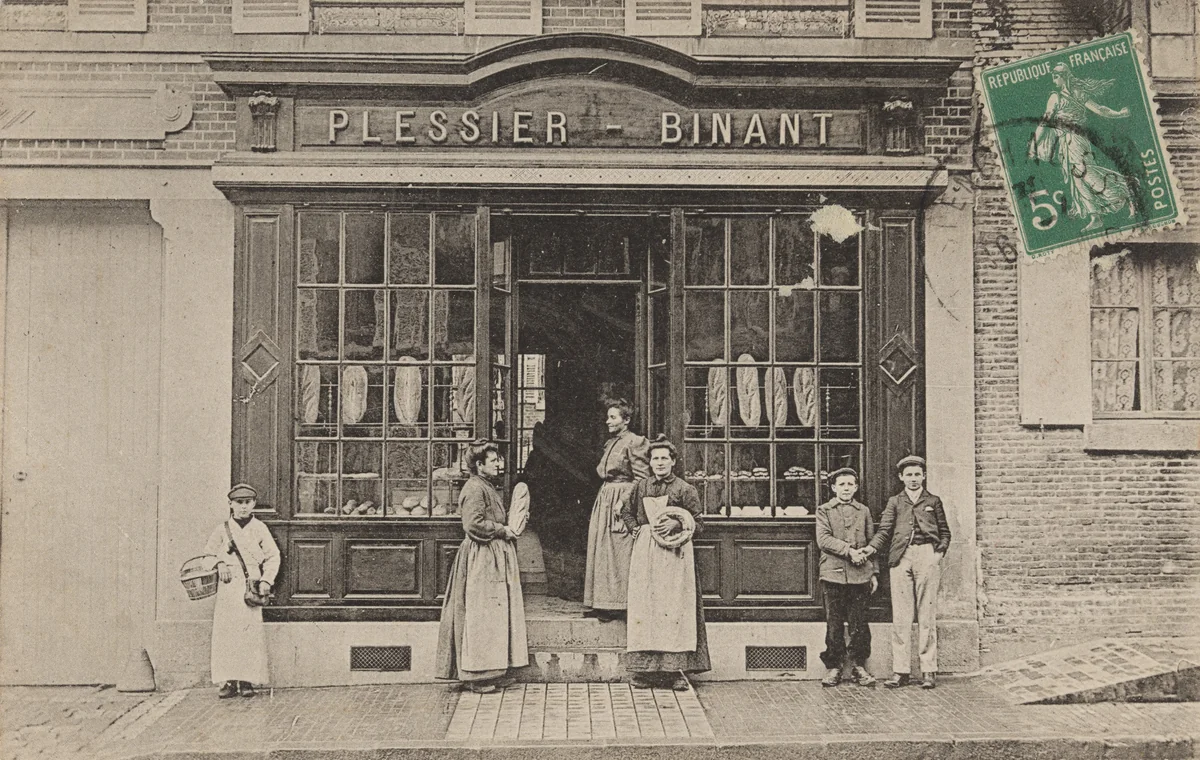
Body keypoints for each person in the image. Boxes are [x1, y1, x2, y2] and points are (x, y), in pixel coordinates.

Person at [436, 439, 529, 694]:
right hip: (481, 557)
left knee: (492, 615)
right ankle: (476, 675)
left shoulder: (485, 485)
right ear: (479, 465)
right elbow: (473, 525)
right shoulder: (474, 488)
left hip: (492, 555)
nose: (500, 464)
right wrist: (502, 529)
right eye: (494, 460)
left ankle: (493, 671)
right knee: (480, 615)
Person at [621, 434, 710, 691]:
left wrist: (678, 523)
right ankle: (645, 672)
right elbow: (626, 511)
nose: (659, 463)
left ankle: (675, 672)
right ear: (649, 462)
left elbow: (699, 523)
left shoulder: (685, 489)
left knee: (674, 609)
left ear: (673, 461)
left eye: (664, 458)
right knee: (646, 608)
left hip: (675, 555)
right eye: (655, 458)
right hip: (646, 553)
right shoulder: (640, 487)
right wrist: (635, 529)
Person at [865, 455, 951, 689]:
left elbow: (945, 532)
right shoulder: (895, 501)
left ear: (923, 476)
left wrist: (938, 553)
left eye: (917, 474)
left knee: (926, 615)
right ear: (901, 477)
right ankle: (900, 671)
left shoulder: (933, 501)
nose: (913, 479)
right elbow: (884, 530)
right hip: (901, 558)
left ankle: (928, 670)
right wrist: (871, 548)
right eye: (908, 475)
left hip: (927, 556)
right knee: (901, 617)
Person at [1028, 62, 1136, 233]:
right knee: (1077, 181)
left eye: (1056, 76)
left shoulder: (1062, 96)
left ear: (1064, 77)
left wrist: (1119, 114)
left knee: (1087, 173)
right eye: (1053, 76)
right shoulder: (1064, 95)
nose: (1053, 79)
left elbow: (1099, 109)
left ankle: (1126, 191)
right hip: (1066, 142)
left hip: (1075, 140)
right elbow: (1047, 121)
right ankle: (1096, 217)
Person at [203, 483, 280, 699]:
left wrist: (266, 580)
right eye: (238, 503)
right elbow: (207, 556)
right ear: (230, 504)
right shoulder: (222, 530)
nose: (243, 507)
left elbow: (273, 556)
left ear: (254, 504)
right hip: (228, 588)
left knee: (249, 633)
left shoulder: (259, 528)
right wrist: (219, 564)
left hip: (250, 586)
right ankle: (228, 681)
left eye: (247, 503)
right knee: (226, 634)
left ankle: (247, 680)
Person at [583, 399, 650, 620]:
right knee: (602, 551)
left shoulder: (635, 442)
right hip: (605, 498)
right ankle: (601, 603)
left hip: (620, 501)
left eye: (613, 417)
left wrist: (624, 502)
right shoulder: (612, 442)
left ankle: (619, 605)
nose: (607, 421)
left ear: (626, 420)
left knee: (618, 553)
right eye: (608, 417)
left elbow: (641, 479)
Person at [814, 468, 878, 688]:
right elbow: (823, 540)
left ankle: (859, 666)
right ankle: (834, 666)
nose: (846, 488)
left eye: (850, 484)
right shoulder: (824, 510)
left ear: (856, 487)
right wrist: (849, 551)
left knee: (859, 622)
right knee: (834, 622)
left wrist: (873, 572)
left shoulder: (864, 511)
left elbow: (871, 542)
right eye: (842, 484)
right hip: (833, 574)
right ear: (833, 488)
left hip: (860, 575)